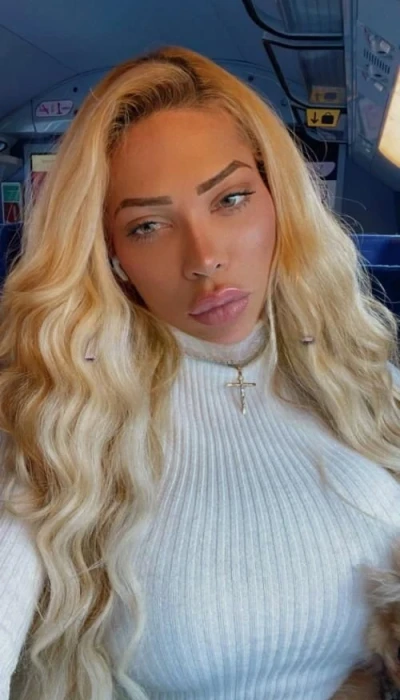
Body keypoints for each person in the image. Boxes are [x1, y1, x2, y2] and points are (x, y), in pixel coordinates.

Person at [0, 45, 399, 700]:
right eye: (148, 225)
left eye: (231, 198)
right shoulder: (60, 422)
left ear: (279, 198)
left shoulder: (365, 373)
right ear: (112, 255)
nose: (204, 257)